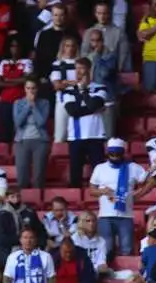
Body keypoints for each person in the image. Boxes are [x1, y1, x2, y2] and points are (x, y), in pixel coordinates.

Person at [89, 138, 150, 258]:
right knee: (106, 250)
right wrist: (103, 191)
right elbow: (92, 190)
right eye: (112, 152)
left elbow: (150, 180)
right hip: (105, 215)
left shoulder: (133, 167)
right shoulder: (100, 168)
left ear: (123, 152)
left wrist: (139, 194)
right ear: (107, 152)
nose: (115, 155)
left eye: (118, 152)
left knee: (127, 250)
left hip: (125, 215)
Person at [63, 58, 107, 189]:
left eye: (81, 68)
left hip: (96, 136)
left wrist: (84, 91)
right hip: (76, 137)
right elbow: (73, 111)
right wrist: (94, 109)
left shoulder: (100, 87)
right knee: (75, 173)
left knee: (98, 172)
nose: (78, 72)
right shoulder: (69, 90)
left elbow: (93, 104)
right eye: (76, 69)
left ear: (89, 70)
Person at [12, 78, 50, 190]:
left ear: (37, 89)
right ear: (24, 89)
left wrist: (34, 106)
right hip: (22, 141)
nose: (31, 91)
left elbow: (42, 122)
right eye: (28, 88)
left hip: (40, 141)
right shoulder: (18, 103)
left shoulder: (44, 103)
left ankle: (38, 201)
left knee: (39, 175)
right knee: (22, 174)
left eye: (33, 88)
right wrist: (28, 105)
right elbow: (18, 122)